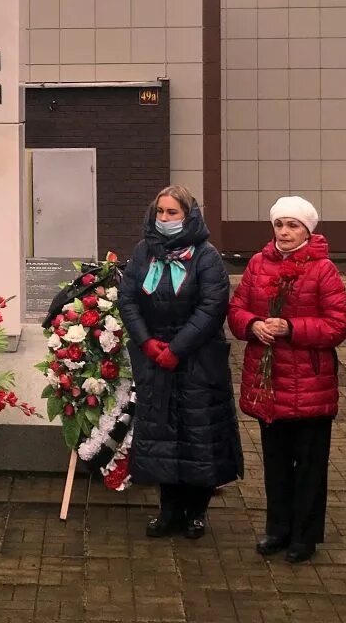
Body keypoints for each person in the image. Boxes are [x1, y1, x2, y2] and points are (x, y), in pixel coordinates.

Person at [226, 196, 346, 564]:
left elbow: (338, 324)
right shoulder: (257, 263)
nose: (284, 232)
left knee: (310, 464)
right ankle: (277, 529)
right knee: (276, 462)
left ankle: (305, 535)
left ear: (308, 230)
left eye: (293, 225)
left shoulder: (323, 269)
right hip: (270, 382)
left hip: (309, 384)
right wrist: (253, 325)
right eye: (279, 224)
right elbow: (236, 309)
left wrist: (292, 328)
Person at [118, 186, 242, 540]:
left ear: (188, 216)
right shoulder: (145, 252)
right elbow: (128, 298)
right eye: (161, 212)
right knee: (162, 435)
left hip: (197, 361)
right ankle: (168, 509)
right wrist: (147, 341)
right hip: (155, 358)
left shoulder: (206, 256)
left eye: (173, 213)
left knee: (198, 435)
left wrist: (178, 348)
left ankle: (197, 511)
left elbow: (211, 307)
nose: (165, 219)